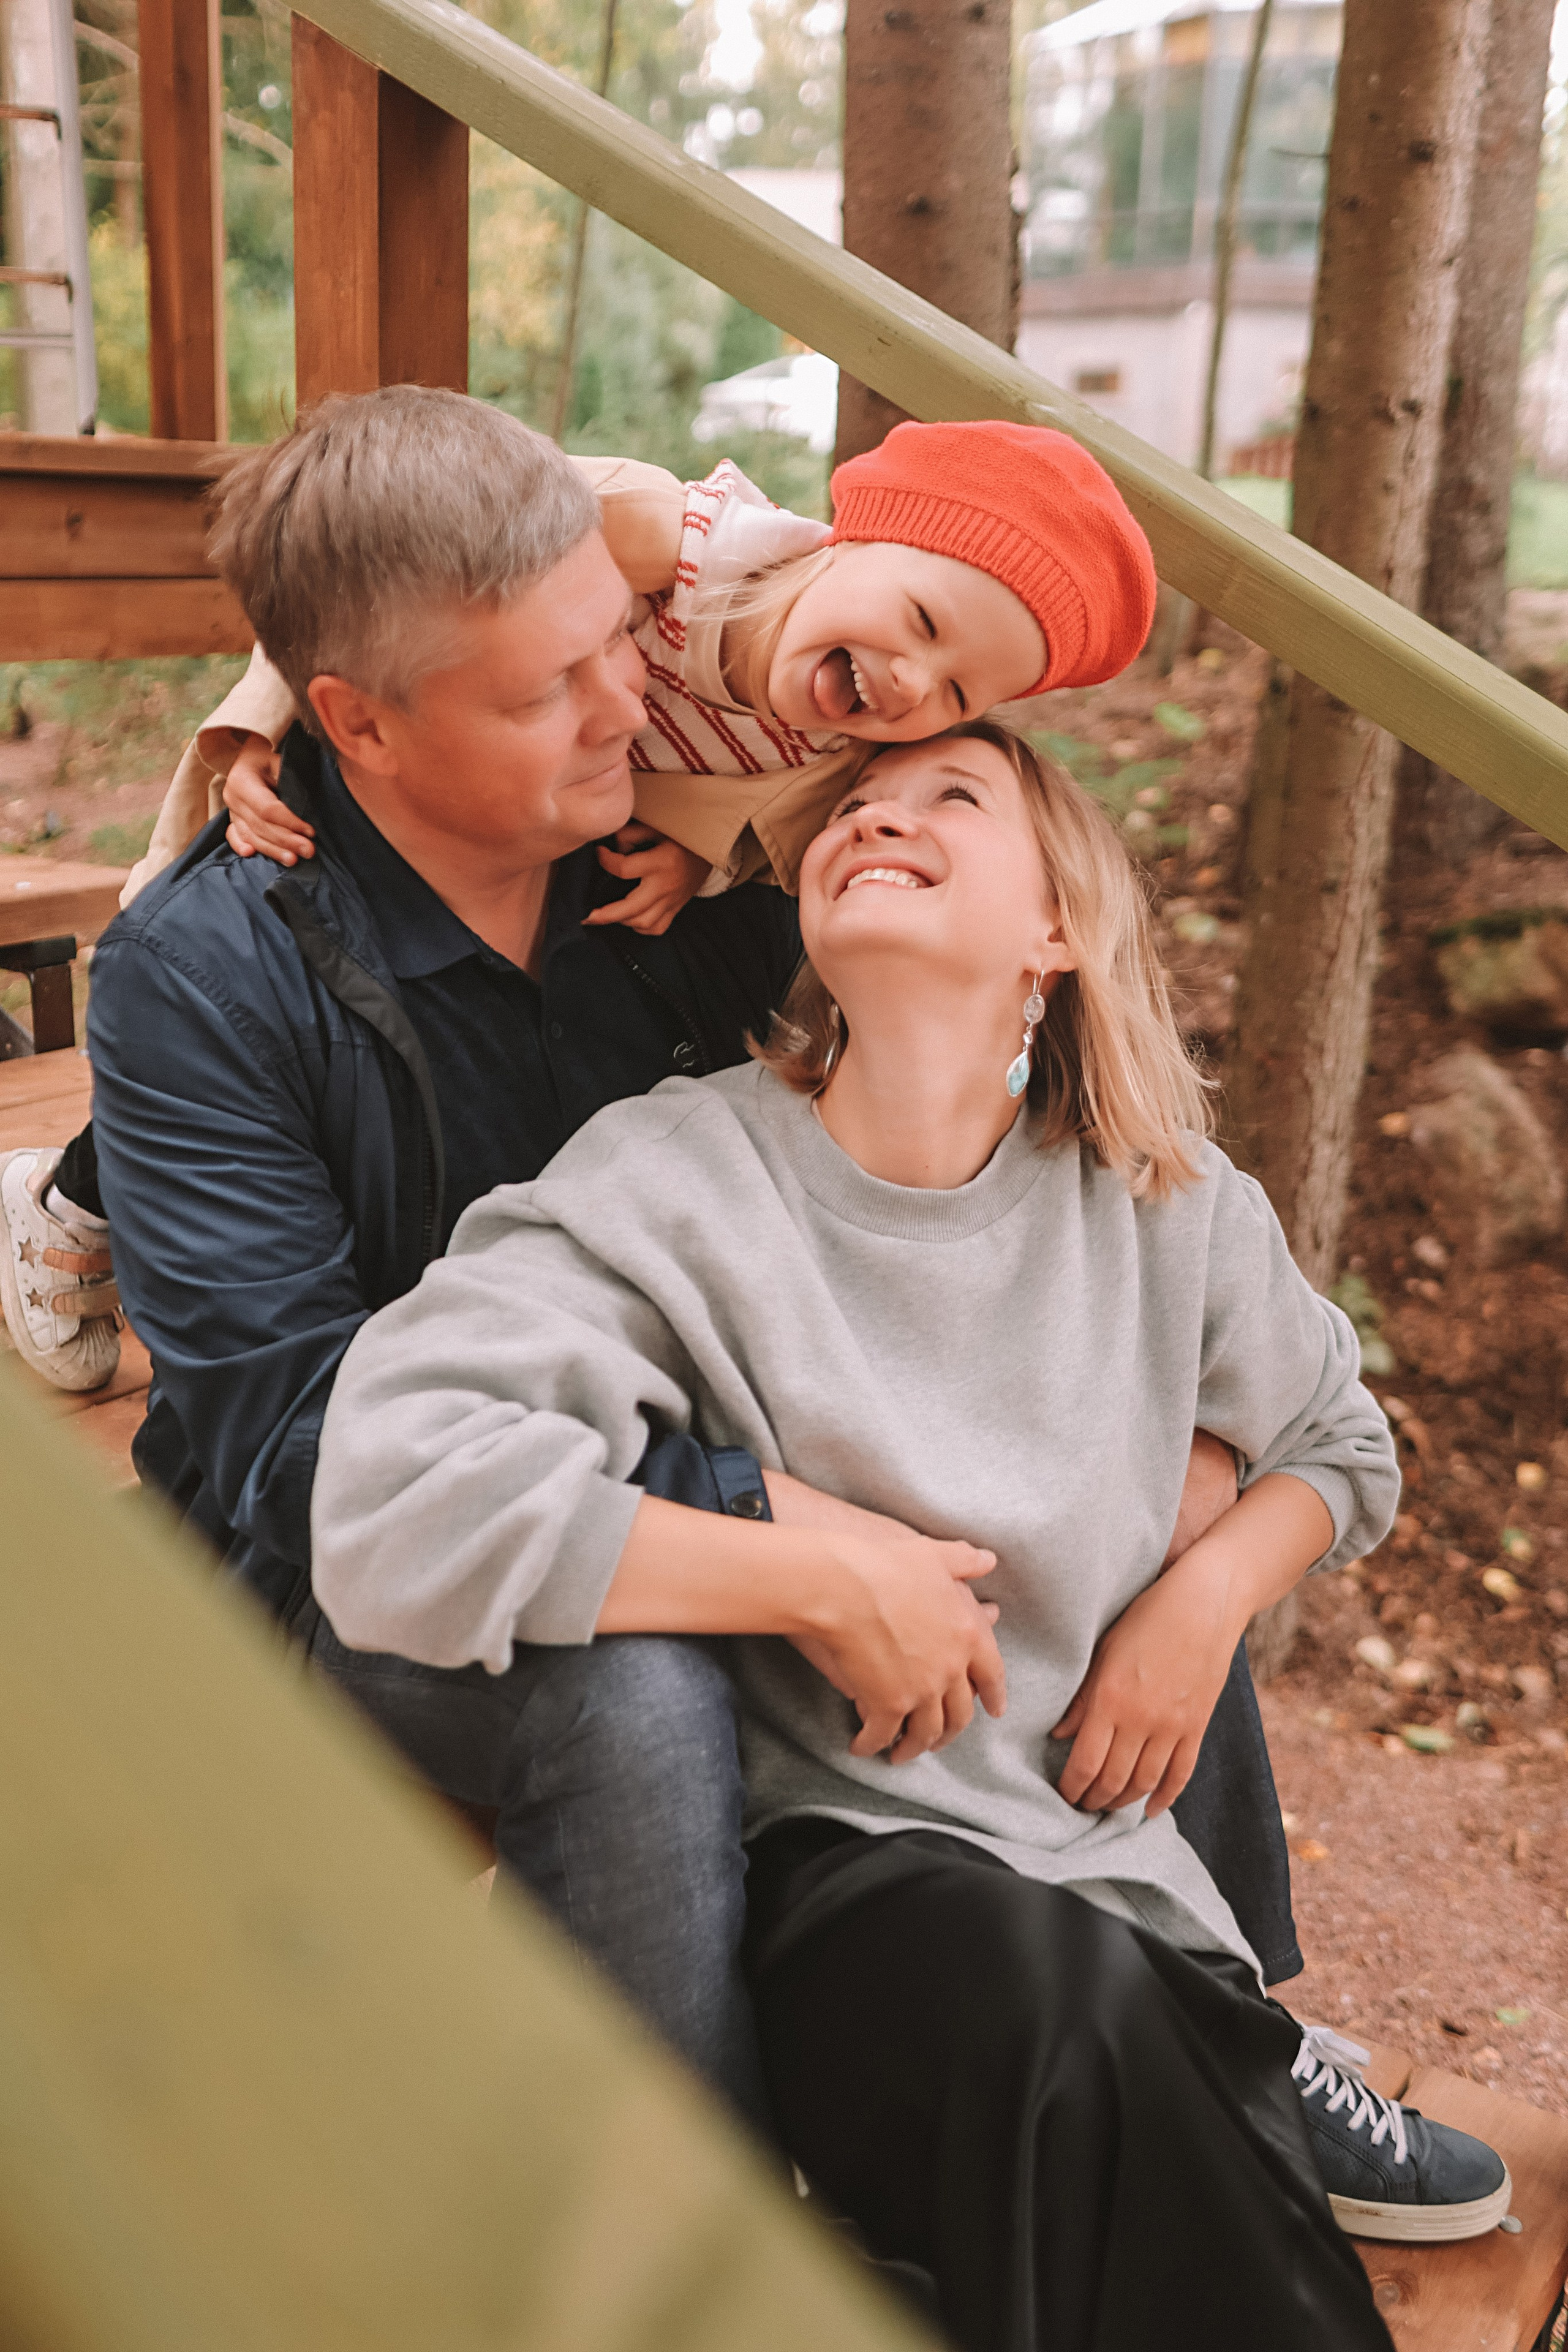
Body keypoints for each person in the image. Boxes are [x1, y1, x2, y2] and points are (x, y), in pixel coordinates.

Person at [72, 387, 1280, 2124]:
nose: (629, 703)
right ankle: (691, 2225)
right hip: (374, 1569)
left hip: (737, 1451)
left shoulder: (708, 880)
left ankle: (1233, 2039)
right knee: (624, 1681)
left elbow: (1014, 1078)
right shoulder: (211, 977)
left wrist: (1199, 1549)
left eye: (613, 644)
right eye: (548, 689)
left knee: (1091, 1495)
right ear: (358, 724)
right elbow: (302, 1462)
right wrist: (785, 1537)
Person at [309, 720, 1509, 2348]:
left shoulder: (1169, 1206)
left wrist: (1207, 1596)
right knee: (1060, 2010)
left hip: (1115, 1885)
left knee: (1127, 2040)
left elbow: (1339, 1441)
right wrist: (811, 1571)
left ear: (1058, 933)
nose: (882, 817)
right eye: (854, 808)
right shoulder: (680, 1176)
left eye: (955, 799)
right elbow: (390, 1485)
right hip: (844, 1889)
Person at [0, 419, 1152, 1392]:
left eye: (953, 692)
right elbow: (352, 579)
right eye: (560, 676)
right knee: (226, 1032)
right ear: (856, 540)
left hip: (593, 886)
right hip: (422, 1498)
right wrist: (262, 719)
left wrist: (697, 867)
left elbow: (781, 845)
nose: (910, 684)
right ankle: (69, 1205)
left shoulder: (829, 786)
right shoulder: (673, 541)